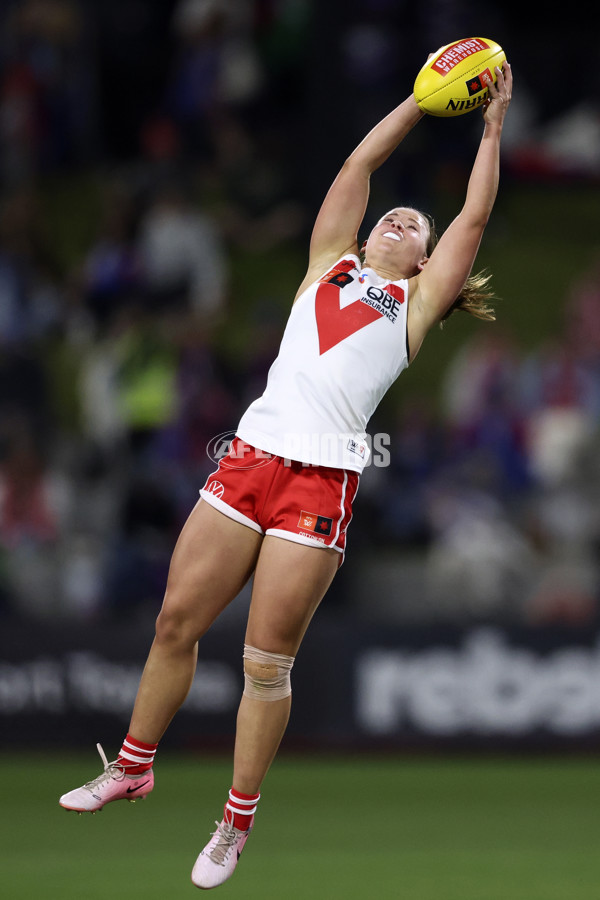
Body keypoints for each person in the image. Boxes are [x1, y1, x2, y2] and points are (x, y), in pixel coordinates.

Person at [59, 57, 513, 889]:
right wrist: (416, 102)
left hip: (321, 479)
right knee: (174, 624)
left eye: (417, 228)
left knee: (266, 665)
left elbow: (474, 217)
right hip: (251, 455)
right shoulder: (326, 265)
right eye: (398, 217)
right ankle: (132, 765)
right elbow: (356, 168)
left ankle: (234, 823)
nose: (402, 221)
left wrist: (490, 126)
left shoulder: (411, 309)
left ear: (424, 268)